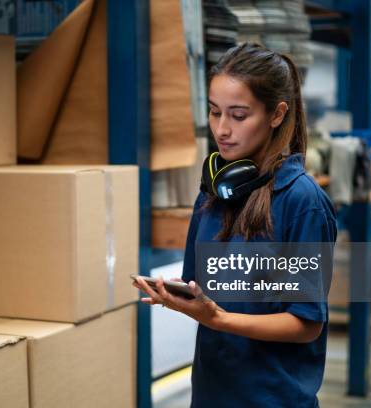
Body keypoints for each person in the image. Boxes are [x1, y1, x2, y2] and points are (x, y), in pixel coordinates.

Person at [133, 42, 337, 407]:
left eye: (239, 116)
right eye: (214, 113)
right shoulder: (212, 194)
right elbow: (203, 287)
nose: (222, 130)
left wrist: (219, 319)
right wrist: (178, 296)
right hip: (212, 395)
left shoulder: (302, 203)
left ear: (276, 114)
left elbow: (306, 323)